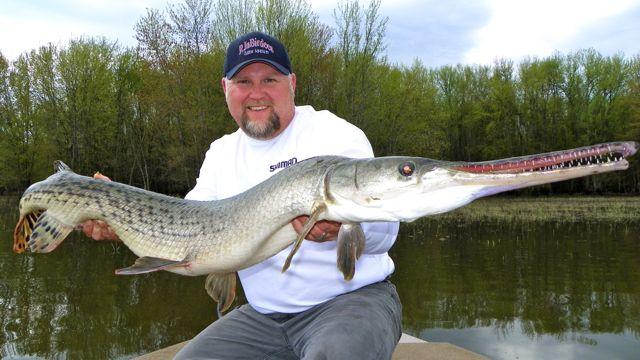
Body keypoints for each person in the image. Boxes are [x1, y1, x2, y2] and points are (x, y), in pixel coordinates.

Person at [83, 31, 402, 359]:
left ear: (292, 83)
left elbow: (386, 232)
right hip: (264, 317)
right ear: (225, 89)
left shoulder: (336, 136)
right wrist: (121, 218)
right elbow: (188, 226)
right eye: (243, 82)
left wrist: (343, 230)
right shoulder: (221, 153)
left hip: (352, 303)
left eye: (270, 79)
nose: (257, 93)